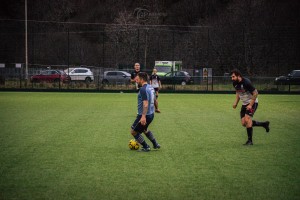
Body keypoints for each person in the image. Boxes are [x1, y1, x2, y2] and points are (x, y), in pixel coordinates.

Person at [231, 69, 270, 145]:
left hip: (253, 102)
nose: (232, 78)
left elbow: (255, 93)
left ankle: (250, 141)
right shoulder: (235, 83)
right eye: (231, 77)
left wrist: (250, 105)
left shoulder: (246, 82)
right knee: (243, 123)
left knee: (247, 119)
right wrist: (235, 102)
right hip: (244, 104)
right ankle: (264, 124)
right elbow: (238, 92)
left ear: (238, 75)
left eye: (233, 76)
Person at [130, 72, 160, 151]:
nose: (136, 80)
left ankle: (146, 147)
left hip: (144, 115)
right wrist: (156, 108)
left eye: (137, 79)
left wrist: (143, 117)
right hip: (151, 114)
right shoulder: (150, 87)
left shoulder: (143, 89)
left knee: (133, 131)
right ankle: (155, 144)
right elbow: (155, 100)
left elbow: (145, 104)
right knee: (144, 129)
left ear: (142, 79)